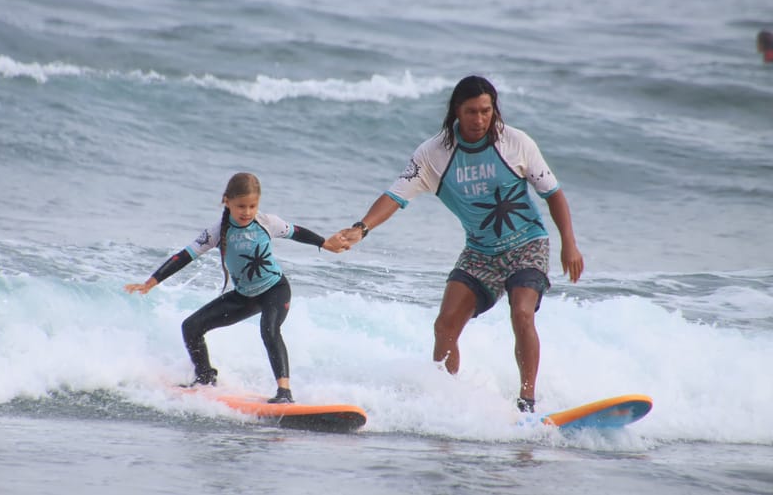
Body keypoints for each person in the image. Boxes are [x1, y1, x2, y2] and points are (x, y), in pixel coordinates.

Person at [336, 76, 584, 413]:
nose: (480, 120)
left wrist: (568, 243)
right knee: (445, 325)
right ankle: (446, 399)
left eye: (487, 111)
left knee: (522, 313)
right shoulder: (433, 154)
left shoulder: (516, 143)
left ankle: (527, 401)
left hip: (528, 243)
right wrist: (362, 228)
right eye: (471, 112)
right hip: (480, 251)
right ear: (456, 111)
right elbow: (395, 195)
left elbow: (553, 194)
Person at [125, 172, 347, 404]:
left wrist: (324, 243)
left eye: (253, 205)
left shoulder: (267, 222)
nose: (247, 212)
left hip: (275, 289)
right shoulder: (216, 231)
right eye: (241, 206)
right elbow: (185, 255)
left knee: (270, 330)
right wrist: (152, 281)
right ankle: (205, 379)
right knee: (191, 327)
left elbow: (297, 232)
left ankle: (284, 393)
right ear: (226, 201)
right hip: (245, 296)